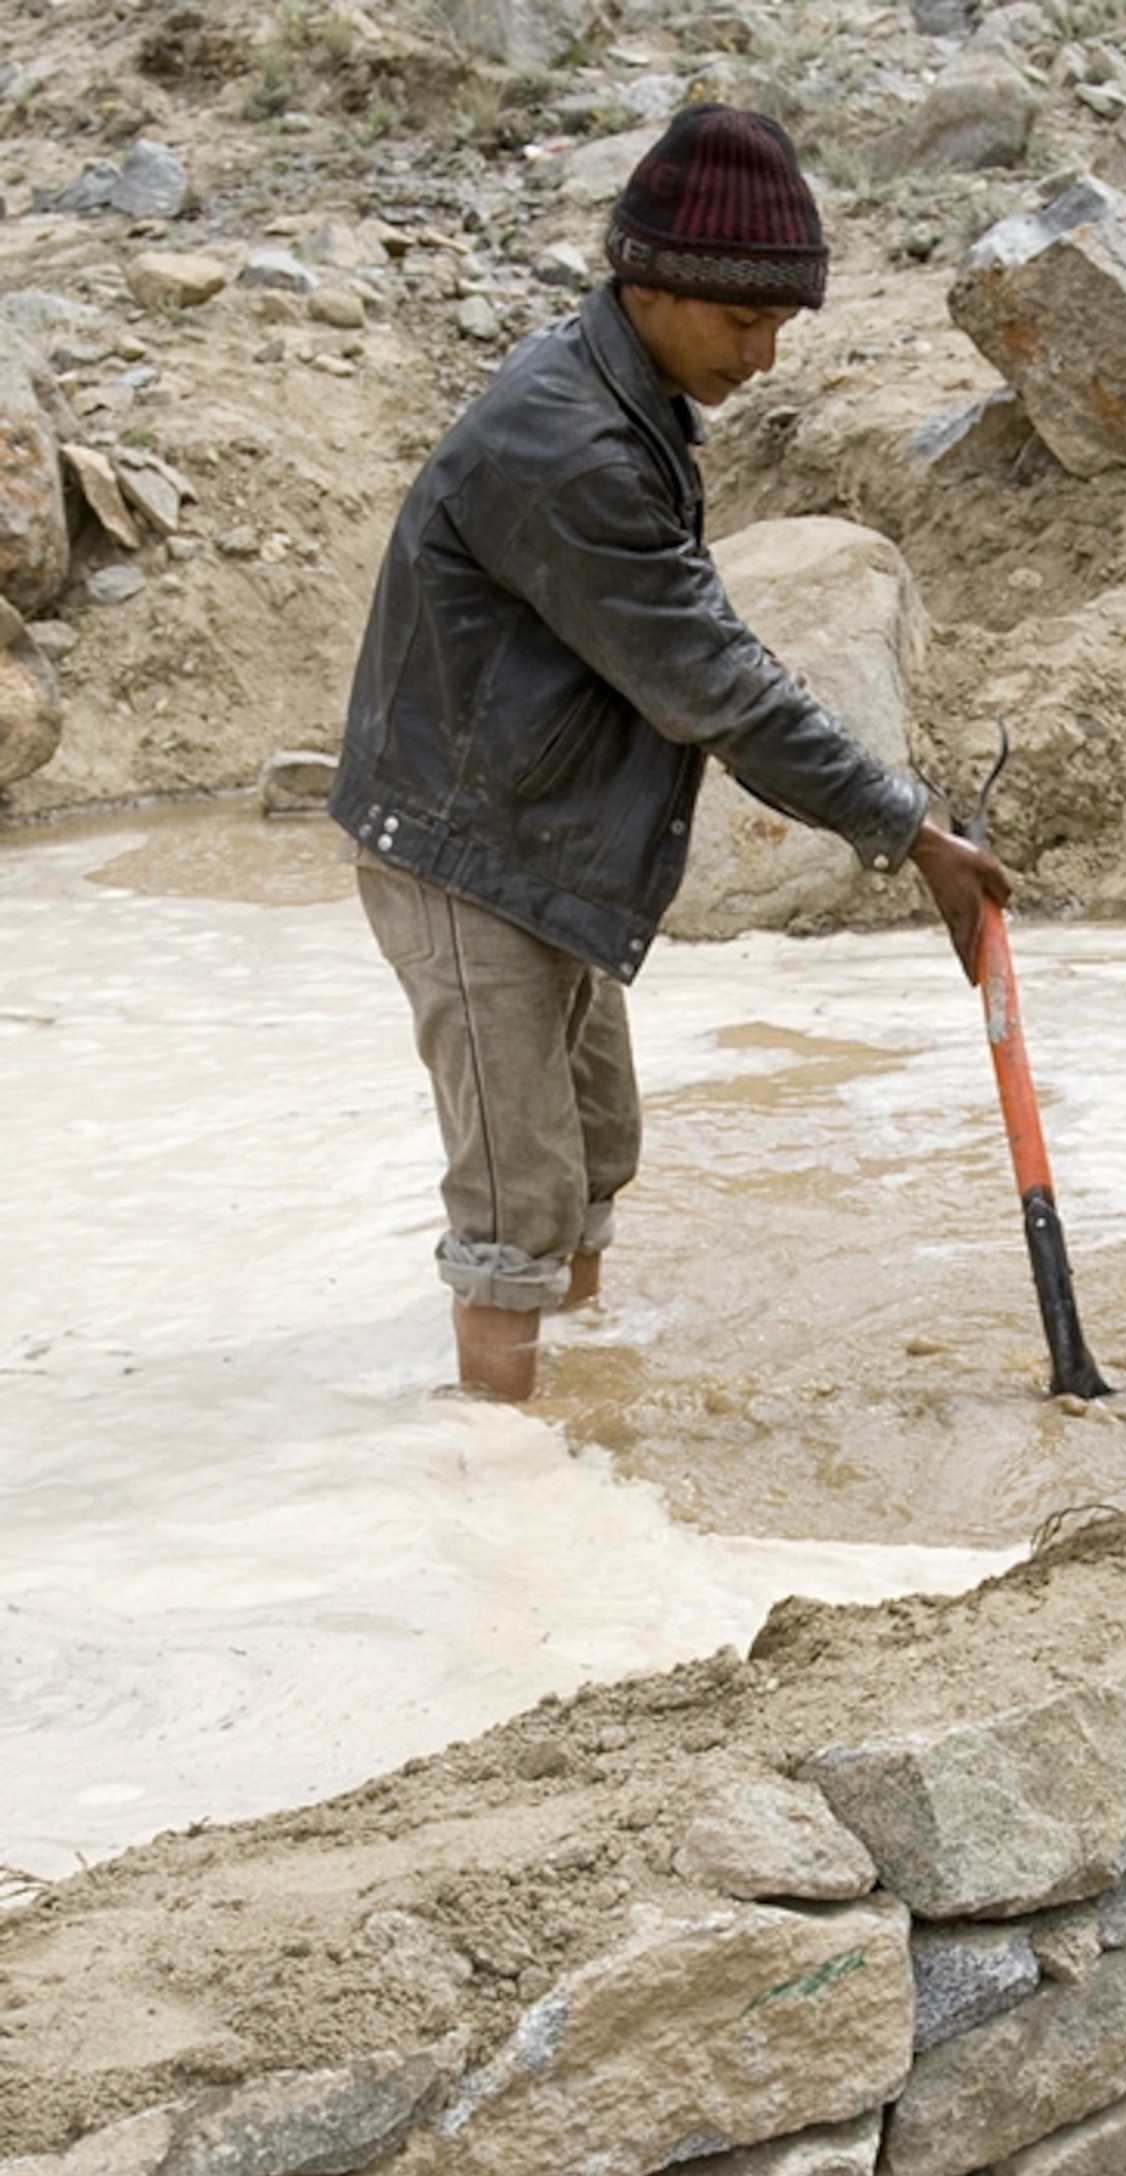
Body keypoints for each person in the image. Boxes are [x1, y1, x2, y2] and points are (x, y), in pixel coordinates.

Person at [333, 105, 1008, 1402]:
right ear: (645, 285)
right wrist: (907, 830)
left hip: (538, 834)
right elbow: (718, 688)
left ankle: (578, 1417)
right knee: (517, 1201)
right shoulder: (569, 444)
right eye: (741, 324)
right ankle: (502, 1481)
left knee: (595, 1149)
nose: (763, 357)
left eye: (778, 327)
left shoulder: (619, 392)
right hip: (464, 849)